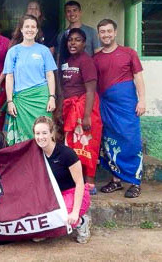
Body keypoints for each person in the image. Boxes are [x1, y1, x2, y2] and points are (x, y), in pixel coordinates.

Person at [93, 19, 146, 198]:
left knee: (131, 141)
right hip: (106, 105)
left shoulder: (129, 53)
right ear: (98, 34)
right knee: (109, 141)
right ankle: (116, 181)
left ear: (115, 32)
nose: (106, 34)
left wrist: (142, 100)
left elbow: (138, 77)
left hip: (127, 104)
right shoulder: (96, 58)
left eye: (109, 31)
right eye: (102, 32)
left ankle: (134, 182)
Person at [33, 116, 91, 244]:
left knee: (63, 216)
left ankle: (81, 222)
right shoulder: (35, 154)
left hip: (73, 192)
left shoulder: (66, 153)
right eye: (37, 133)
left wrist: (75, 212)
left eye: (44, 133)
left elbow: (80, 183)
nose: (40, 137)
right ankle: (47, 230)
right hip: (52, 195)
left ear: (52, 133)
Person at [59, 28, 103, 194]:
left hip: (85, 107)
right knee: (72, 145)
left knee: (87, 144)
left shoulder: (86, 61)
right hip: (70, 108)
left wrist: (86, 116)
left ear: (84, 43)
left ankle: (90, 182)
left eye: (77, 40)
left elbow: (91, 90)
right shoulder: (67, 61)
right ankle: (75, 180)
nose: (73, 43)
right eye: (70, 40)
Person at [4, 14, 57, 144]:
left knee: (44, 131)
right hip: (21, 101)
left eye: (33, 27)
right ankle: (25, 162)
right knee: (23, 136)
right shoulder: (13, 51)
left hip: (41, 99)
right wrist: (10, 101)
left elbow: (50, 75)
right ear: (21, 29)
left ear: (37, 30)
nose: (30, 29)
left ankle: (43, 161)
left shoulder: (44, 51)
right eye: (26, 26)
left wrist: (52, 97)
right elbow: (9, 77)